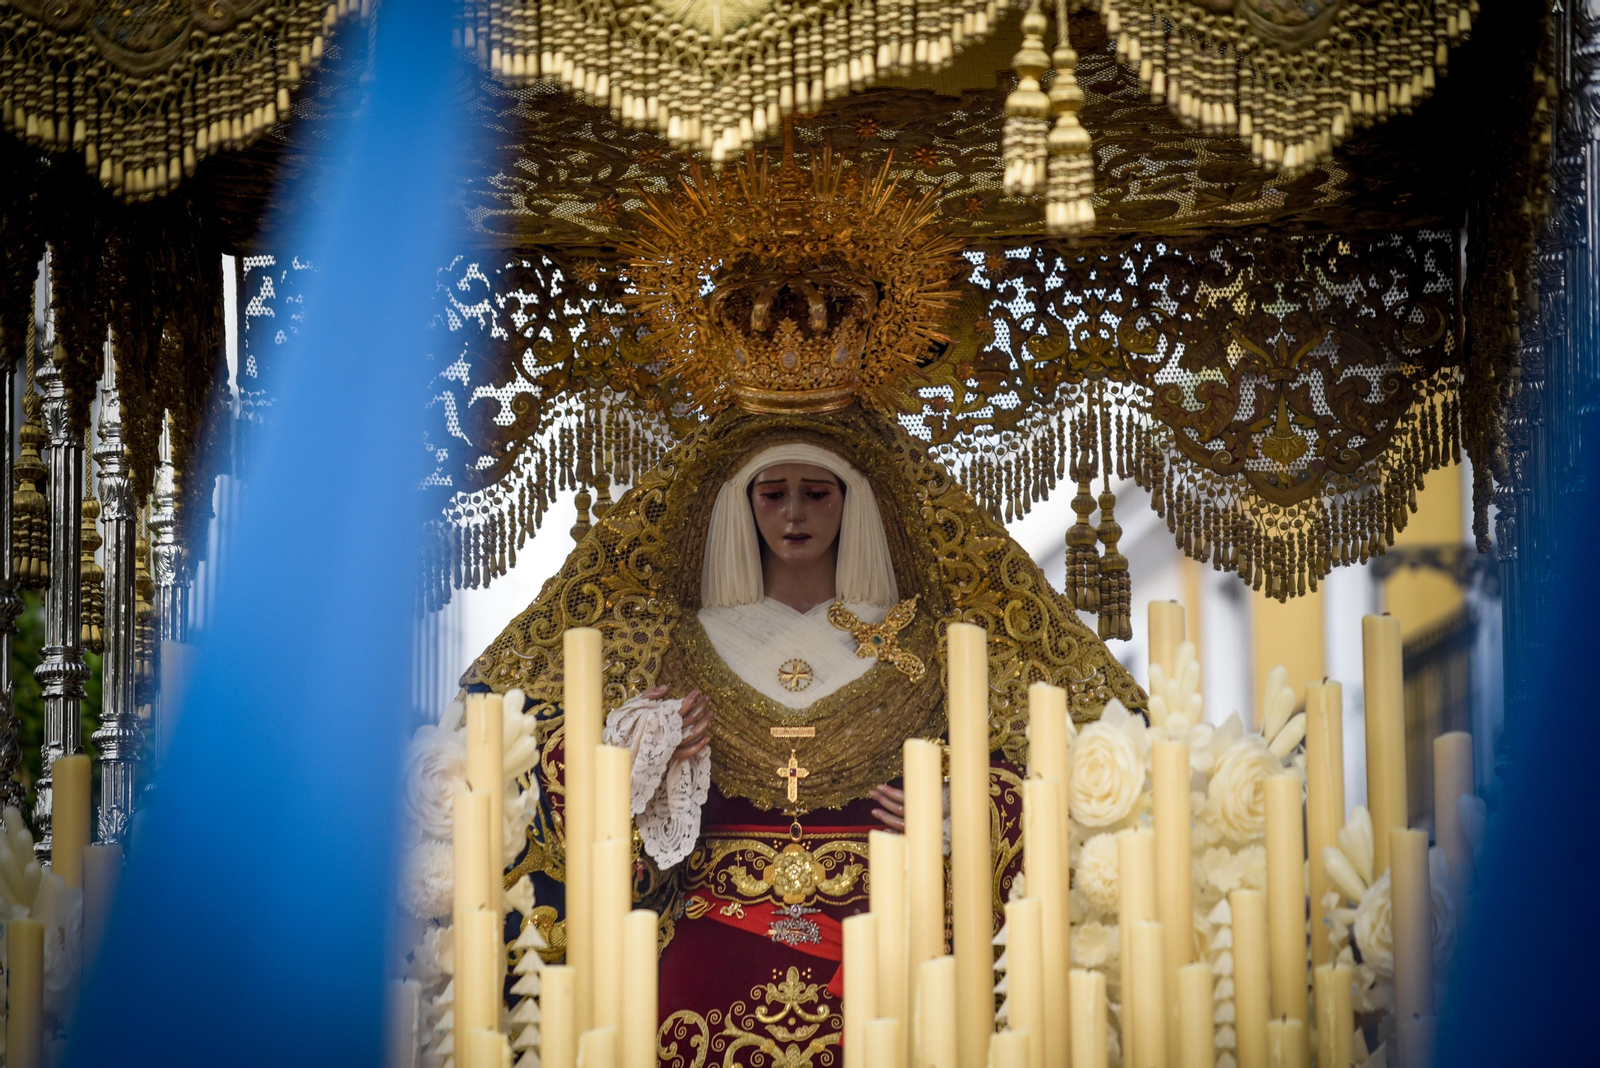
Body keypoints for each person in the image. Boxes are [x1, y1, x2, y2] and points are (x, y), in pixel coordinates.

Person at [465, 404, 1142, 1067]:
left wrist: (962, 807)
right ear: (742, 503)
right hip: (709, 955)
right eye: (772, 494)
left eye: (817, 494)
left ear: (853, 501)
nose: (794, 514)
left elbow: (1031, 769)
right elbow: (576, 810)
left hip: (886, 956)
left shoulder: (928, 647)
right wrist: (635, 764)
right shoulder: (676, 646)